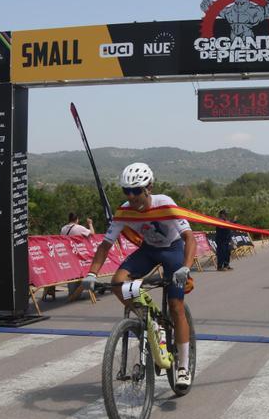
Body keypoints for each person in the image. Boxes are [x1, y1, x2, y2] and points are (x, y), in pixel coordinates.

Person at [81, 163, 197, 389]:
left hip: (173, 249)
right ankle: (146, 315)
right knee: (117, 282)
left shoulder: (166, 203)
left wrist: (186, 267)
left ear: (149, 188)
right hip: (148, 250)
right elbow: (105, 245)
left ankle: (183, 366)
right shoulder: (124, 210)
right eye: (127, 191)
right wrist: (92, 273)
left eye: (136, 190)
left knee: (176, 306)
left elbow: (189, 238)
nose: (131, 196)